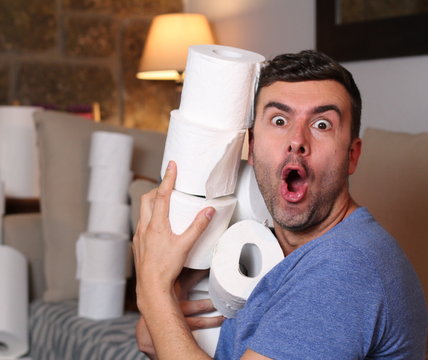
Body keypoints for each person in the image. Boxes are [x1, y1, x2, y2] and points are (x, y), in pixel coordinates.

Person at [133, 50, 427, 359]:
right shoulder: (270, 242)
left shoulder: (343, 267)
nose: (297, 139)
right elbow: (157, 340)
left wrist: (153, 291)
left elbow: (157, 324)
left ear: (352, 155)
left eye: (322, 125)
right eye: (279, 120)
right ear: (252, 145)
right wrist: (163, 319)